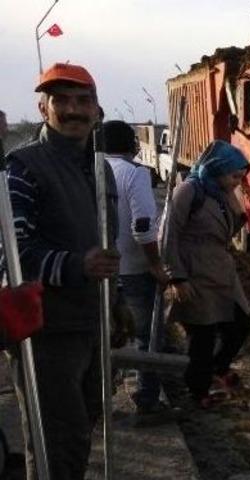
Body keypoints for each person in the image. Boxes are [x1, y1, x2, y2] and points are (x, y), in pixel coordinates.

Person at [3, 63, 119, 480]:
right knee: (56, 444)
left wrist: (115, 308)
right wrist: (75, 265)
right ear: (43, 108)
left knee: (82, 430)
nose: (73, 109)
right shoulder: (23, 169)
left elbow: (109, 247)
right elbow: (14, 254)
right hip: (46, 333)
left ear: (96, 109)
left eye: (82, 100)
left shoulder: (99, 168)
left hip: (92, 324)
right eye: (61, 100)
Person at [162, 140, 250, 409]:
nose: (237, 181)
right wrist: (176, 277)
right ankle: (198, 390)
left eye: (240, 177)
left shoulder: (221, 193)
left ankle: (217, 367)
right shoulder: (190, 190)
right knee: (202, 336)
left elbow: (232, 227)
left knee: (240, 323)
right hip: (194, 272)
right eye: (234, 176)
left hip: (221, 271)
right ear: (218, 168)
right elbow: (167, 235)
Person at [102, 120, 170, 418]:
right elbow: (143, 226)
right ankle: (147, 401)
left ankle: (100, 401)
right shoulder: (134, 173)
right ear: (132, 145)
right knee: (146, 336)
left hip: (96, 271)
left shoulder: (87, 171)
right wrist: (155, 264)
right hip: (132, 269)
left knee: (103, 337)